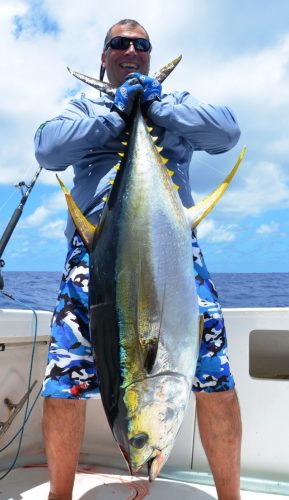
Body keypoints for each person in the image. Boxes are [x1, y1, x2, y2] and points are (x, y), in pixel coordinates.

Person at [34, 18, 242, 500]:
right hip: (94, 255)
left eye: (140, 44)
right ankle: (58, 496)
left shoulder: (178, 104)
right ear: (104, 56)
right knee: (66, 376)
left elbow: (227, 131)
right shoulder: (85, 106)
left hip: (174, 252)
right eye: (119, 44)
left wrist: (158, 105)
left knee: (213, 374)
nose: (131, 50)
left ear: (150, 54)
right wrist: (113, 115)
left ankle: (231, 496)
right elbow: (47, 149)